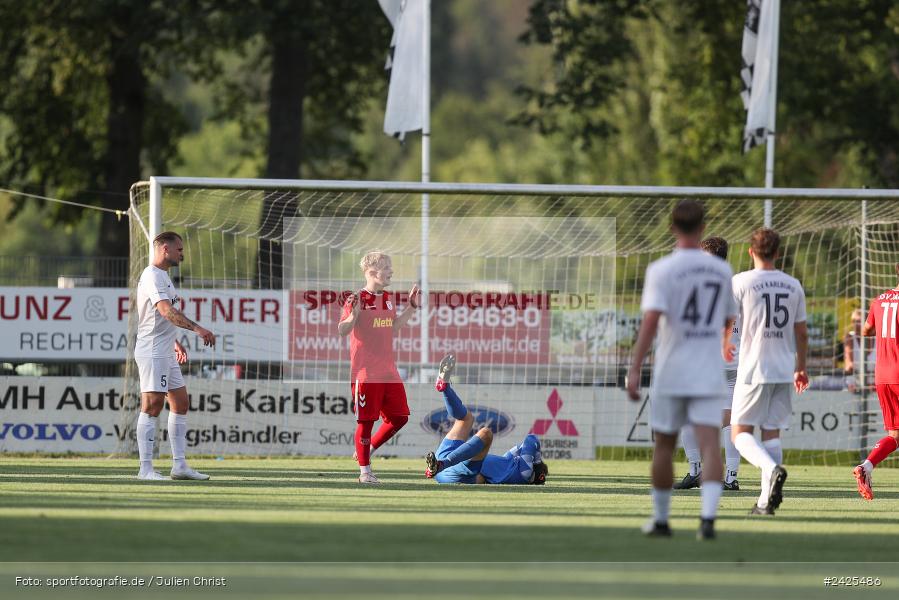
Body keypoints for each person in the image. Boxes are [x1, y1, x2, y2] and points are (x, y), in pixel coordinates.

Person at [626, 200, 737, 540]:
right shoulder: (722, 272)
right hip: (706, 367)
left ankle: (661, 521)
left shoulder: (661, 269)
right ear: (702, 228)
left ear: (673, 228)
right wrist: (723, 341)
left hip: (673, 367)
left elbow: (649, 322)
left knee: (664, 444)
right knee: (709, 442)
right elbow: (729, 317)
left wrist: (634, 367)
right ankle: (707, 520)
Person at [730, 228, 809, 515]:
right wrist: (801, 367)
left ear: (751, 251)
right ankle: (765, 502)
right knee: (771, 433)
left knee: (739, 433)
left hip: (754, 366)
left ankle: (772, 468)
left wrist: (723, 344)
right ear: (777, 253)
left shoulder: (741, 282)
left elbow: (727, 321)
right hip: (784, 367)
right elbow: (801, 333)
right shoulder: (793, 285)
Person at [134, 231, 216, 481]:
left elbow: (159, 317)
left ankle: (179, 466)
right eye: (179, 249)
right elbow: (166, 311)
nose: (182, 253)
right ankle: (145, 469)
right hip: (152, 350)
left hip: (165, 349)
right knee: (152, 405)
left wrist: (175, 342)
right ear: (165, 250)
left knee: (180, 403)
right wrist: (197, 328)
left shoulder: (164, 277)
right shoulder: (152, 275)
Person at [338, 250, 420, 484]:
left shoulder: (388, 298)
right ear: (372, 272)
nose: (391, 271)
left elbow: (392, 327)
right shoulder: (356, 298)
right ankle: (365, 472)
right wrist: (353, 317)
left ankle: (370, 447)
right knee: (366, 422)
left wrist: (412, 308)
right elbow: (342, 330)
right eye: (387, 267)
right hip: (366, 373)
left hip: (389, 371)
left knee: (400, 417)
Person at [674, 236, 743, 491]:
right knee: (731, 420)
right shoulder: (739, 288)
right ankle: (731, 477)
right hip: (734, 363)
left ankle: (696, 470)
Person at [425, 355, 549, 485]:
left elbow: (531, 439)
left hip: (451, 466)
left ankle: (440, 465)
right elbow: (519, 448)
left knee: (486, 433)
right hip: (455, 471)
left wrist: (538, 463)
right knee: (466, 419)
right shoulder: (508, 465)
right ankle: (445, 387)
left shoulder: (524, 473)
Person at [853, 265, 899, 500]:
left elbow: (866, 329)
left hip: (883, 376)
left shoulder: (879, 300)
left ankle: (866, 467)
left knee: (895, 435)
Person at [843, 308, 876, 393]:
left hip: (876, 387)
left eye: (859, 321)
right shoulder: (849, 337)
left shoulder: (878, 339)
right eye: (854, 321)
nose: (856, 324)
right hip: (854, 387)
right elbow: (849, 364)